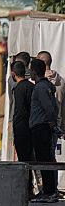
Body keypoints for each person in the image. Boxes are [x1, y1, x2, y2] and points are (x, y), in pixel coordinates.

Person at [29, 58, 58, 202]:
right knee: (45, 159)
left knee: (44, 161)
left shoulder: (40, 88)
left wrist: (52, 122)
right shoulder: (46, 86)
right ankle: (49, 191)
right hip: (42, 127)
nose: (29, 72)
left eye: (30, 69)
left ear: (34, 71)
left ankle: (49, 192)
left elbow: (49, 108)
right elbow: (54, 107)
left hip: (40, 127)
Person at [37, 51, 65, 190]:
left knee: (42, 158)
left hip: (43, 124)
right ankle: (52, 187)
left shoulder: (40, 83)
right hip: (57, 124)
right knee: (52, 157)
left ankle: (47, 189)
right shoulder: (61, 81)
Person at [11, 61, 35, 194]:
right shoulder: (32, 86)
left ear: (13, 74)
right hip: (31, 128)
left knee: (23, 161)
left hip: (22, 129)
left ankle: (26, 189)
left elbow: (20, 110)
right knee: (30, 160)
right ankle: (29, 187)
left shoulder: (18, 89)